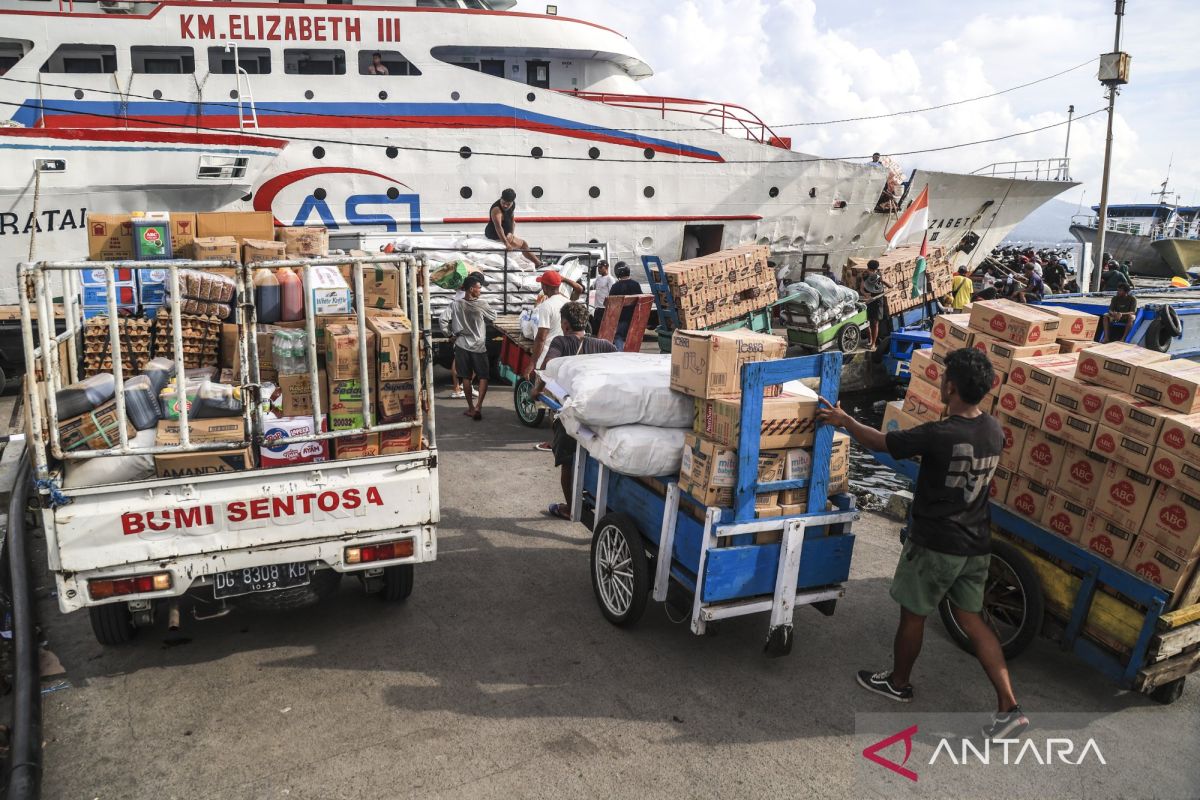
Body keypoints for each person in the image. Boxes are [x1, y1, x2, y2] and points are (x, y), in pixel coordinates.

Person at [817, 347, 1026, 740]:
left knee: (913, 615)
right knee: (973, 621)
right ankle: (1009, 706)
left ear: (952, 386)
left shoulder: (939, 434)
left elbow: (881, 443)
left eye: (945, 378)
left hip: (936, 544)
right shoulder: (994, 430)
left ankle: (898, 683)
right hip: (976, 542)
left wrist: (844, 420)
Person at [531, 302, 618, 520]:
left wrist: (537, 390)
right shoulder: (604, 345)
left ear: (566, 324)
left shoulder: (561, 342)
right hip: (600, 415)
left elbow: (549, 365)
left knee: (567, 462)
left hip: (570, 415)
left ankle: (570, 508)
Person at [448, 274, 496, 421]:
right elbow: (494, 317)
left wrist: (449, 334)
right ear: (471, 289)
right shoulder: (482, 304)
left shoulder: (456, 303)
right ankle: (478, 407)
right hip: (478, 346)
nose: (480, 290)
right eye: (479, 288)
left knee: (466, 377)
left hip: (462, 344)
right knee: (483, 376)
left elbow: (443, 319)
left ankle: (470, 408)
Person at [525, 269, 583, 378]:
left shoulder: (546, 306)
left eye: (542, 284)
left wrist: (532, 363)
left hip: (548, 357)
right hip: (565, 356)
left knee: (540, 389)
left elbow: (541, 337)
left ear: (545, 287)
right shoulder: (568, 303)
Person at [439, 270, 487, 399]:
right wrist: (449, 335)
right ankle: (458, 388)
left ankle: (464, 387)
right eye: (479, 286)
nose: (480, 289)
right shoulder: (463, 299)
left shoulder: (462, 294)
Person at [485, 188, 542, 267]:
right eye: (503, 202)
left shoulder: (513, 205)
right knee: (523, 245)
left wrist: (511, 233)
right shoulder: (496, 209)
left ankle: (538, 263)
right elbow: (498, 227)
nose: (505, 205)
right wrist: (506, 243)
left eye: (508, 204)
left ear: (512, 202)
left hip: (506, 233)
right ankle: (538, 264)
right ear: (501, 198)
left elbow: (512, 219)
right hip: (494, 234)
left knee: (523, 243)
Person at [605, 261, 644, 350]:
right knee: (632, 337)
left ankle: (621, 354)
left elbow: (610, 303)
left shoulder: (615, 287)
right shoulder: (636, 284)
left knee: (618, 336)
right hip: (634, 318)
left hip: (621, 319)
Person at [860, 259, 891, 350]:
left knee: (875, 322)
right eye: (869, 269)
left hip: (878, 301)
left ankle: (873, 344)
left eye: (871, 270)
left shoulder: (880, 275)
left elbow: (890, 286)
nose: (870, 271)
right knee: (866, 322)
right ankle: (870, 340)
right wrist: (865, 294)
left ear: (875, 270)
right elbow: (862, 288)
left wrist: (883, 281)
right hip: (868, 301)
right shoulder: (865, 275)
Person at [591, 260, 614, 333]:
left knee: (603, 330)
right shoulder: (598, 278)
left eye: (601, 267)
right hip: (597, 308)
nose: (599, 269)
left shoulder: (610, 279)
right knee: (596, 330)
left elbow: (612, 294)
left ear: (606, 267)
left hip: (604, 308)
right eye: (598, 268)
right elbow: (592, 286)